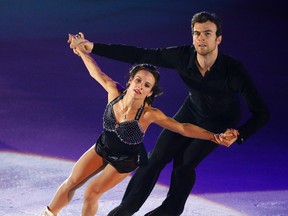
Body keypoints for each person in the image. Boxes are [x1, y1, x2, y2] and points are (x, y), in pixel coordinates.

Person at [68, 11, 269, 216]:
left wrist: (238, 134)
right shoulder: (183, 56)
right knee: (156, 157)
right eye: (197, 33)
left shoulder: (233, 70)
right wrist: (92, 47)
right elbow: (140, 55)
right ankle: (125, 210)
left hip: (220, 120)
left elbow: (262, 112)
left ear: (218, 39)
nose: (201, 38)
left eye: (207, 33)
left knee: (184, 164)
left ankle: (170, 210)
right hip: (192, 111)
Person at [41, 33, 238, 216]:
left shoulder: (149, 114)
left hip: (124, 161)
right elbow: (96, 72)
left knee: (91, 192)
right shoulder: (113, 92)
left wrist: (214, 136)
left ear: (150, 92)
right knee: (72, 181)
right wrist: (81, 51)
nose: (140, 86)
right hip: (102, 147)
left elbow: (182, 128)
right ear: (130, 81)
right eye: (138, 80)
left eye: (146, 85)